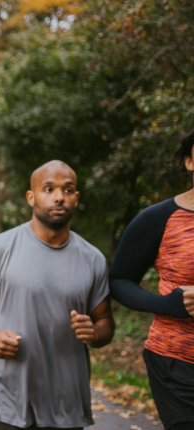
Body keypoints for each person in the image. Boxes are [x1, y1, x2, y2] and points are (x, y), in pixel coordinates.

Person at [0, 160, 115, 430]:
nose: (59, 197)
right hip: (8, 401)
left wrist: (94, 333)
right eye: (49, 189)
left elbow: (105, 322)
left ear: (76, 198)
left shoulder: (93, 259)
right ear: (31, 197)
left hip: (66, 403)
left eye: (68, 190)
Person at [109, 128, 194, 430]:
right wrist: (168, 304)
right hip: (176, 361)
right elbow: (119, 280)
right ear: (189, 161)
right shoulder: (158, 218)